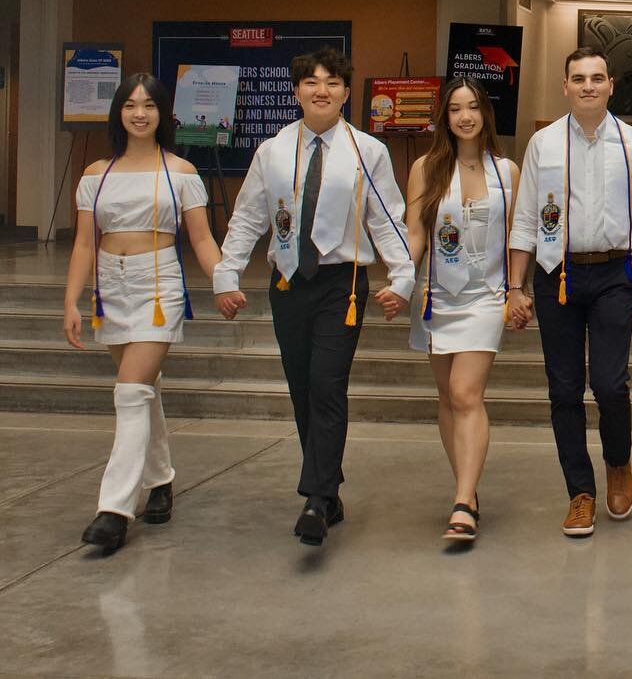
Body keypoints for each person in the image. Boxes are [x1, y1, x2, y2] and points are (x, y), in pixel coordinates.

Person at [212, 48, 413, 548]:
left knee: (327, 384)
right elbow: (249, 218)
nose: (321, 90)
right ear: (296, 90)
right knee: (303, 387)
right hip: (287, 282)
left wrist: (403, 276)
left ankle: (316, 498)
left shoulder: (368, 151)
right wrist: (227, 273)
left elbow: (388, 219)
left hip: (341, 285)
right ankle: (328, 488)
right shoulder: (273, 152)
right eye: (310, 82)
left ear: (346, 91)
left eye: (332, 82)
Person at [508, 47, 632, 538]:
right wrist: (515, 285)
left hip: (615, 274)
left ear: (611, 85)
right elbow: (527, 219)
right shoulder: (544, 143)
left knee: (611, 383)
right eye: (579, 78)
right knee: (564, 389)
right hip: (557, 275)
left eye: (597, 78)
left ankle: (618, 464)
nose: (588, 86)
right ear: (565, 86)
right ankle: (580, 492)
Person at [63, 74, 222, 551]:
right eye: (130, 105)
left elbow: (200, 239)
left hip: (159, 286)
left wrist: (224, 283)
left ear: (162, 114)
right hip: (109, 287)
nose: (139, 113)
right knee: (144, 391)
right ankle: (161, 479)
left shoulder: (181, 172)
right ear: (118, 113)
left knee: (130, 393)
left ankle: (113, 509)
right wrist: (71, 300)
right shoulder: (95, 174)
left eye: (148, 105)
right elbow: (84, 243)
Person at [403, 77, 520, 543]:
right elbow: (415, 232)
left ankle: (462, 502)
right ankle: (466, 493)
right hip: (435, 296)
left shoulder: (507, 171)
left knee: (465, 392)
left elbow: (517, 238)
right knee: (448, 398)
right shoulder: (424, 168)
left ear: (486, 113)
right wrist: (398, 281)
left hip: (486, 297)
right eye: (455, 109)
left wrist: (518, 289)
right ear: (444, 116)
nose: (465, 117)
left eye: (473, 107)